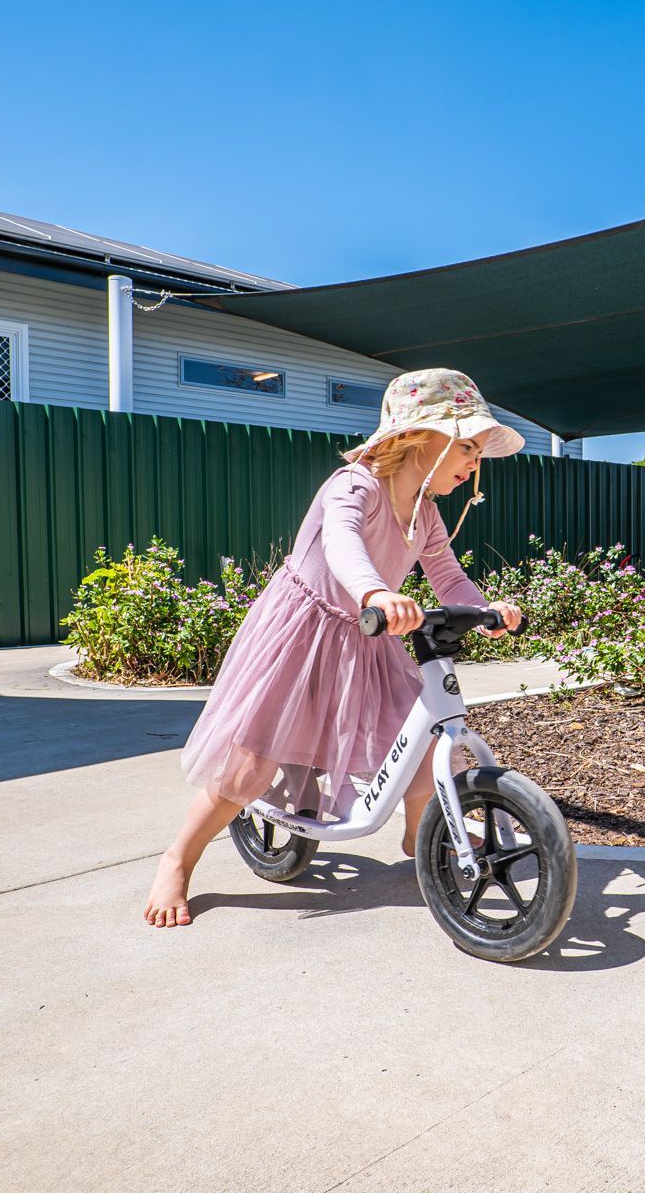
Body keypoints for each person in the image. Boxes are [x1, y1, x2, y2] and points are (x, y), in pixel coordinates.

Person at [145, 369, 525, 927]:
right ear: (421, 438)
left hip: (364, 637)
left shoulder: (426, 510)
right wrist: (376, 590)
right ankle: (178, 859)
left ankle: (418, 833)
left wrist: (485, 608)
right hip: (304, 632)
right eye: (467, 448)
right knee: (250, 765)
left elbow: (445, 572)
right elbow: (341, 542)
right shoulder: (354, 486)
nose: (475, 465)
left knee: (416, 738)